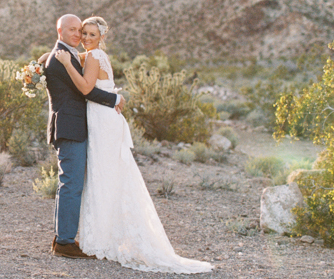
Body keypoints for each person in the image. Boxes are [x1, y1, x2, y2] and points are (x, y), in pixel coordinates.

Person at [54, 16, 213, 273]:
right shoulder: (91, 55)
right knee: (101, 177)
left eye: (92, 35)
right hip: (99, 120)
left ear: (101, 38)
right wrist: (48, 59)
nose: (85, 38)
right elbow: (70, 57)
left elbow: (84, 87)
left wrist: (64, 63)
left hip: (104, 122)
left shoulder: (93, 57)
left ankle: (105, 238)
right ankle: (101, 236)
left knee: (105, 176)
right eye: (83, 33)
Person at [44, 14, 125, 259]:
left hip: (75, 126)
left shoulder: (65, 54)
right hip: (71, 127)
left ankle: (63, 238)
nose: (78, 35)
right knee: (72, 185)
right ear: (59, 30)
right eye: (72, 30)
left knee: (69, 183)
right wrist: (115, 99)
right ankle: (65, 242)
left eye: (80, 30)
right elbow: (86, 91)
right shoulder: (61, 58)